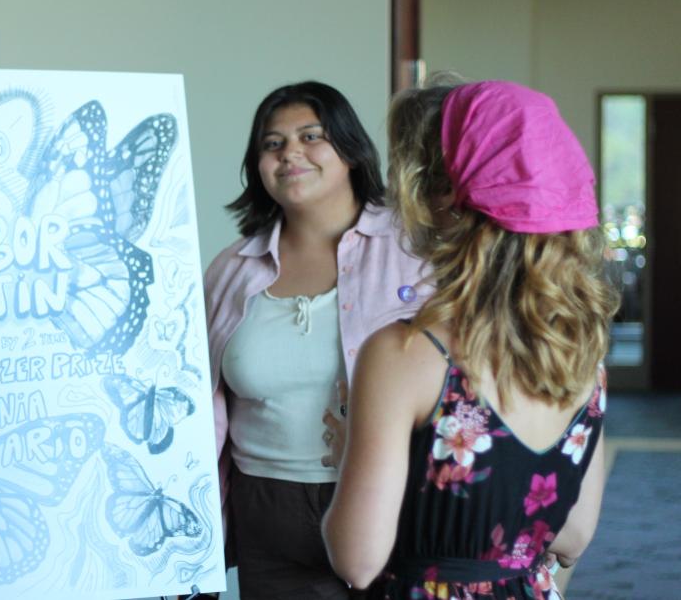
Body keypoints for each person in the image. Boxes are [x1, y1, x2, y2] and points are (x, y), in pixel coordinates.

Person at [321, 80, 619, 598]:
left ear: (441, 203)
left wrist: (352, 454)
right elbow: (572, 536)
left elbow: (357, 559)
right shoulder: (579, 354)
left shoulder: (404, 354)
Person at [203, 81, 429, 598]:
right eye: (272, 143)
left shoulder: (415, 252)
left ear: (350, 151)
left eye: (311, 136)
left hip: (386, 497)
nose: (290, 154)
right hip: (264, 510)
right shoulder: (230, 269)